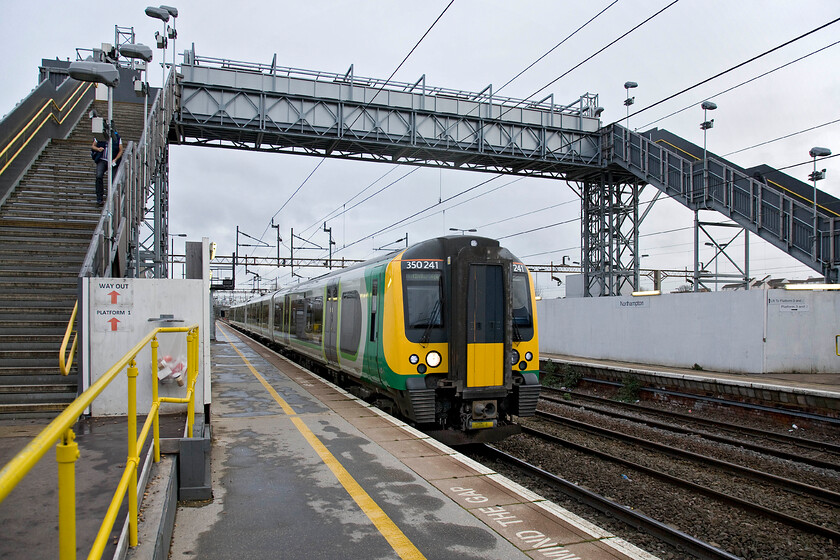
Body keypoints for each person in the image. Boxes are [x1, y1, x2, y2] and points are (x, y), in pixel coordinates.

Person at [91, 128, 123, 206]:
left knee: (113, 180)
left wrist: (115, 159)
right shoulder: (100, 136)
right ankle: (99, 198)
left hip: (113, 161)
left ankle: (111, 198)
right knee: (98, 176)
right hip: (102, 159)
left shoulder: (117, 137)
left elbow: (121, 150)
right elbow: (93, 146)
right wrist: (98, 149)